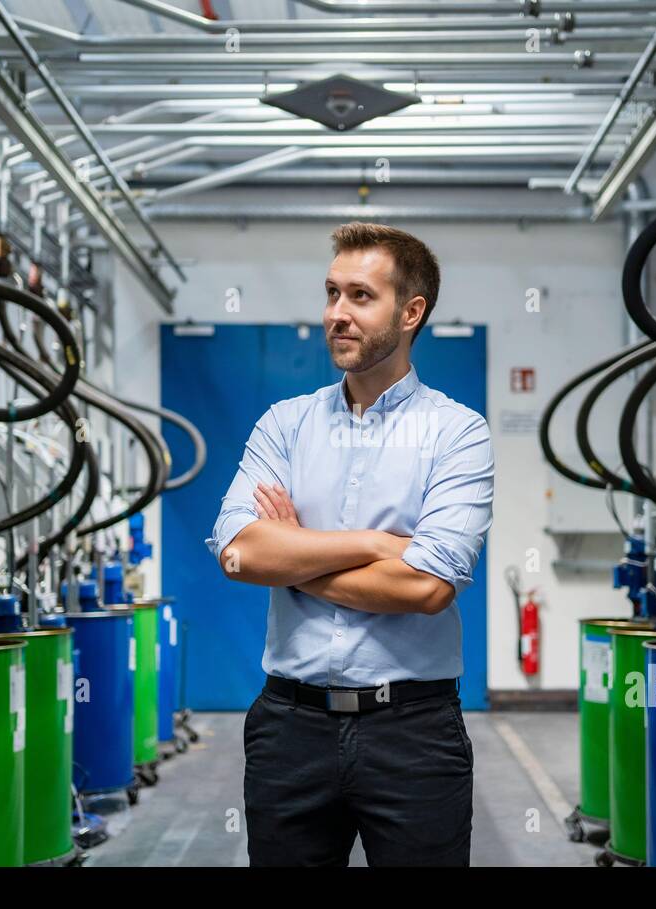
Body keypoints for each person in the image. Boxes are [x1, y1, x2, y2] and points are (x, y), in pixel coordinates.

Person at [206, 222, 494, 866]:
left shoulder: (456, 434)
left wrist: (294, 554)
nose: (337, 313)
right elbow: (237, 554)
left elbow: (426, 587)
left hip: (414, 735)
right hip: (289, 730)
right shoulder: (285, 424)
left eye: (360, 296)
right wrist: (375, 544)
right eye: (332, 293)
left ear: (411, 312)